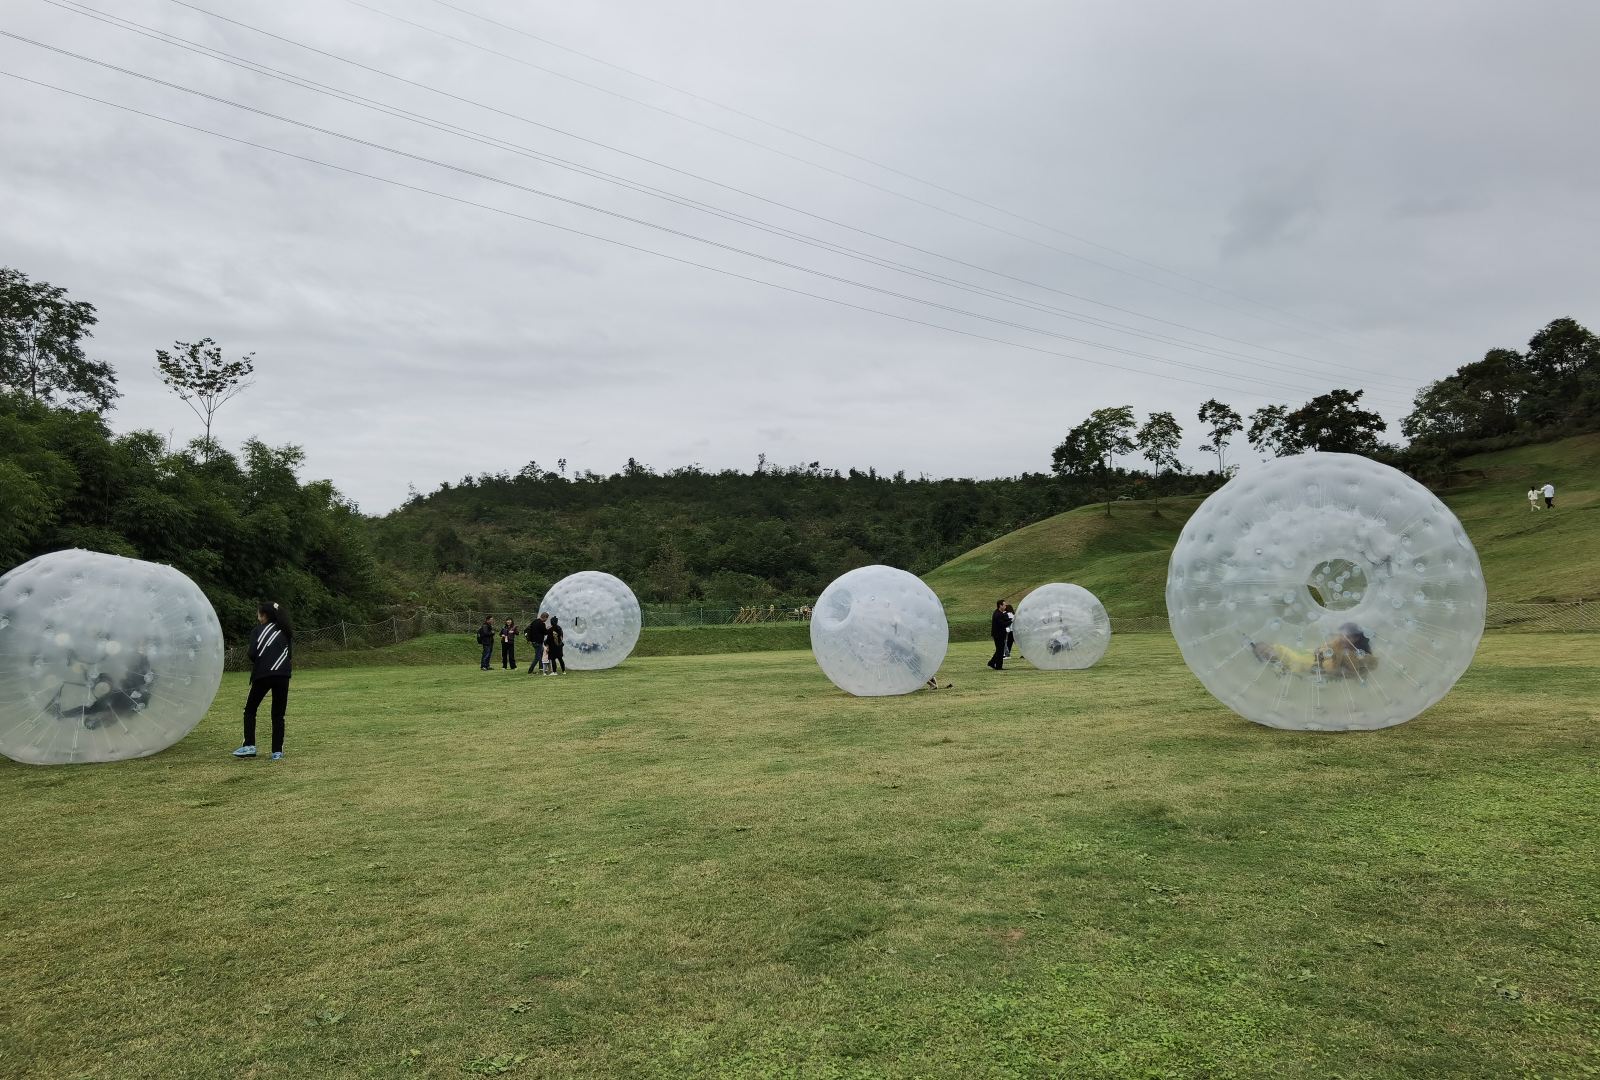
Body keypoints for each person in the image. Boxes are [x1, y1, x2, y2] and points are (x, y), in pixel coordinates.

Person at [233, 601, 292, 760]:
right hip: (283, 675)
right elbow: (289, 654)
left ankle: (249, 746)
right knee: (278, 714)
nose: (257, 616)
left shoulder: (257, 631)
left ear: (264, 615)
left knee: (250, 710)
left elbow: (252, 653)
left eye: (258, 613)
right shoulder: (285, 631)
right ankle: (277, 752)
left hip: (263, 674)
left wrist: (263, 661)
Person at [1249, 622, 1377, 680]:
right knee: (1288, 655)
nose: (1342, 638)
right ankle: (1268, 655)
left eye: (1348, 636)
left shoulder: (1355, 657)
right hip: (1312, 658)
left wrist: (1329, 658)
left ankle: (1270, 656)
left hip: (1316, 666)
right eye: (1341, 634)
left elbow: (1335, 671)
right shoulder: (1339, 643)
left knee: (1293, 661)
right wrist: (1321, 651)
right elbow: (1323, 648)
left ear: (1356, 639)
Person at [987, 599, 1009, 670]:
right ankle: (998, 666)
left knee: (999, 650)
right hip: (998, 635)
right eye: (1004, 605)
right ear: (1000, 605)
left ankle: (992, 662)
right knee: (1000, 651)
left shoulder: (999, 613)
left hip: (999, 634)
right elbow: (1002, 624)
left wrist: (1009, 619)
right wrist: (1011, 621)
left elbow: (1004, 620)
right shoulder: (998, 614)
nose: (1005, 606)